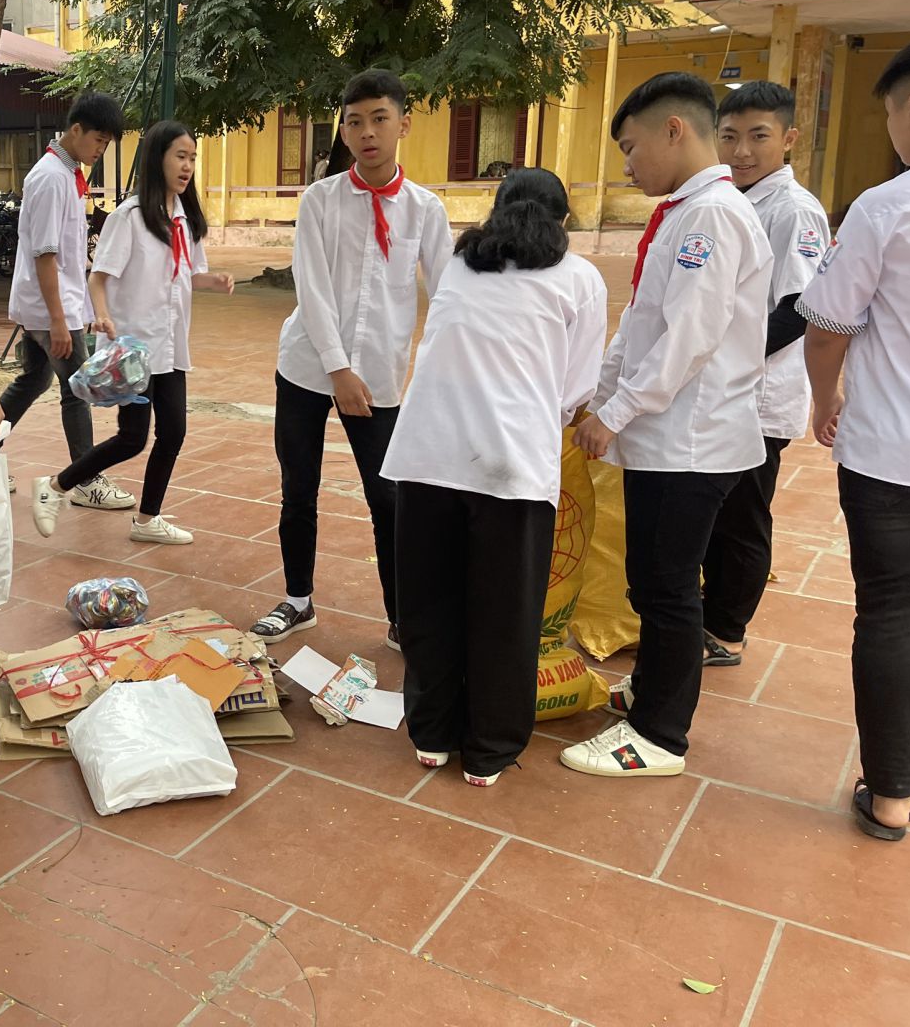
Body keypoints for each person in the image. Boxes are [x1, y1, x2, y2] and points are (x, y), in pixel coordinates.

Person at [562, 72, 772, 779]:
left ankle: (659, 736)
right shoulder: (685, 214)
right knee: (651, 581)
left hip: (692, 442)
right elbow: (642, 323)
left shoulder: (712, 216)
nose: (627, 165)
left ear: (674, 130)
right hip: (666, 437)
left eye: (630, 147)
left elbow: (689, 338)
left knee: (668, 587)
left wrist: (616, 413)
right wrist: (598, 397)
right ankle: (650, 691)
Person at [384, 169, 606, 786]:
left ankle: (432, 735)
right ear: (564, 221)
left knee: (430, 602)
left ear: (496, 212)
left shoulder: (461, 265)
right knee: (505, 613)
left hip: (426, 454)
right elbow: (576, 387)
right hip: (513, 464)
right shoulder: (580, 278)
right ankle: (489, 750)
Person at [252, 69, 452, 645]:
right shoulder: (320, 201)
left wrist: (442, 376)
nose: (367, 132)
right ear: (342, 131)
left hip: (379, 376)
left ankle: (402, 618)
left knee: (388, 497)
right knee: (299, 489)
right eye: (355, 122)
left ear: (403, 125)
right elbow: (312, 288)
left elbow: (447, 296)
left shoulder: (425, 210)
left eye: (379, 119)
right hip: (307, 367)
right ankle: (298, 599)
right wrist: (337, 368)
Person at [798, 41, 910, 841]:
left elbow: (827, 326)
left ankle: (892, 796)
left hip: (890, 453)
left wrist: (824, 398)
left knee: (890, 614)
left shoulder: (884, 208)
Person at [30, 120, 234, 545]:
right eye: (180, 156)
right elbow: (99, 278)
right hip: (134, 352)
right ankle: (55, 486)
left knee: (174, 432)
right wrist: (102, 316)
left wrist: (213, 281)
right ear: (158, 158)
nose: (187, 166)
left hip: (171, 348)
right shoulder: (130, 217)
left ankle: (147, 519)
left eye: (192, 158)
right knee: (132, 438)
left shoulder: (185, 220)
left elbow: (187, 275)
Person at [702, 81, 829, 666]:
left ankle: (726, 631)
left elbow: (800, 308)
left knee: (742, 519)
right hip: (728, 390)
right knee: (715, 513)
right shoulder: (735, 199)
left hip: (760, 395)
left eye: (758, 136)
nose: (742, 151)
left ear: (789, 138)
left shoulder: (793, 210)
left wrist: (733, 360)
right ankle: (709, 615)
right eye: (730, 136)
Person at [0, 91, 134, 510]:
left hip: (54, 304)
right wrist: (58, 320)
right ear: (76, 130)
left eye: (107, 143)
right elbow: (45, 254)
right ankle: (85, 479)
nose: (101, 149)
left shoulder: (66, 173)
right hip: (50, 308)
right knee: (78, 389)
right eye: (98, 140)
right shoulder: (51, 178)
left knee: (33, 381)